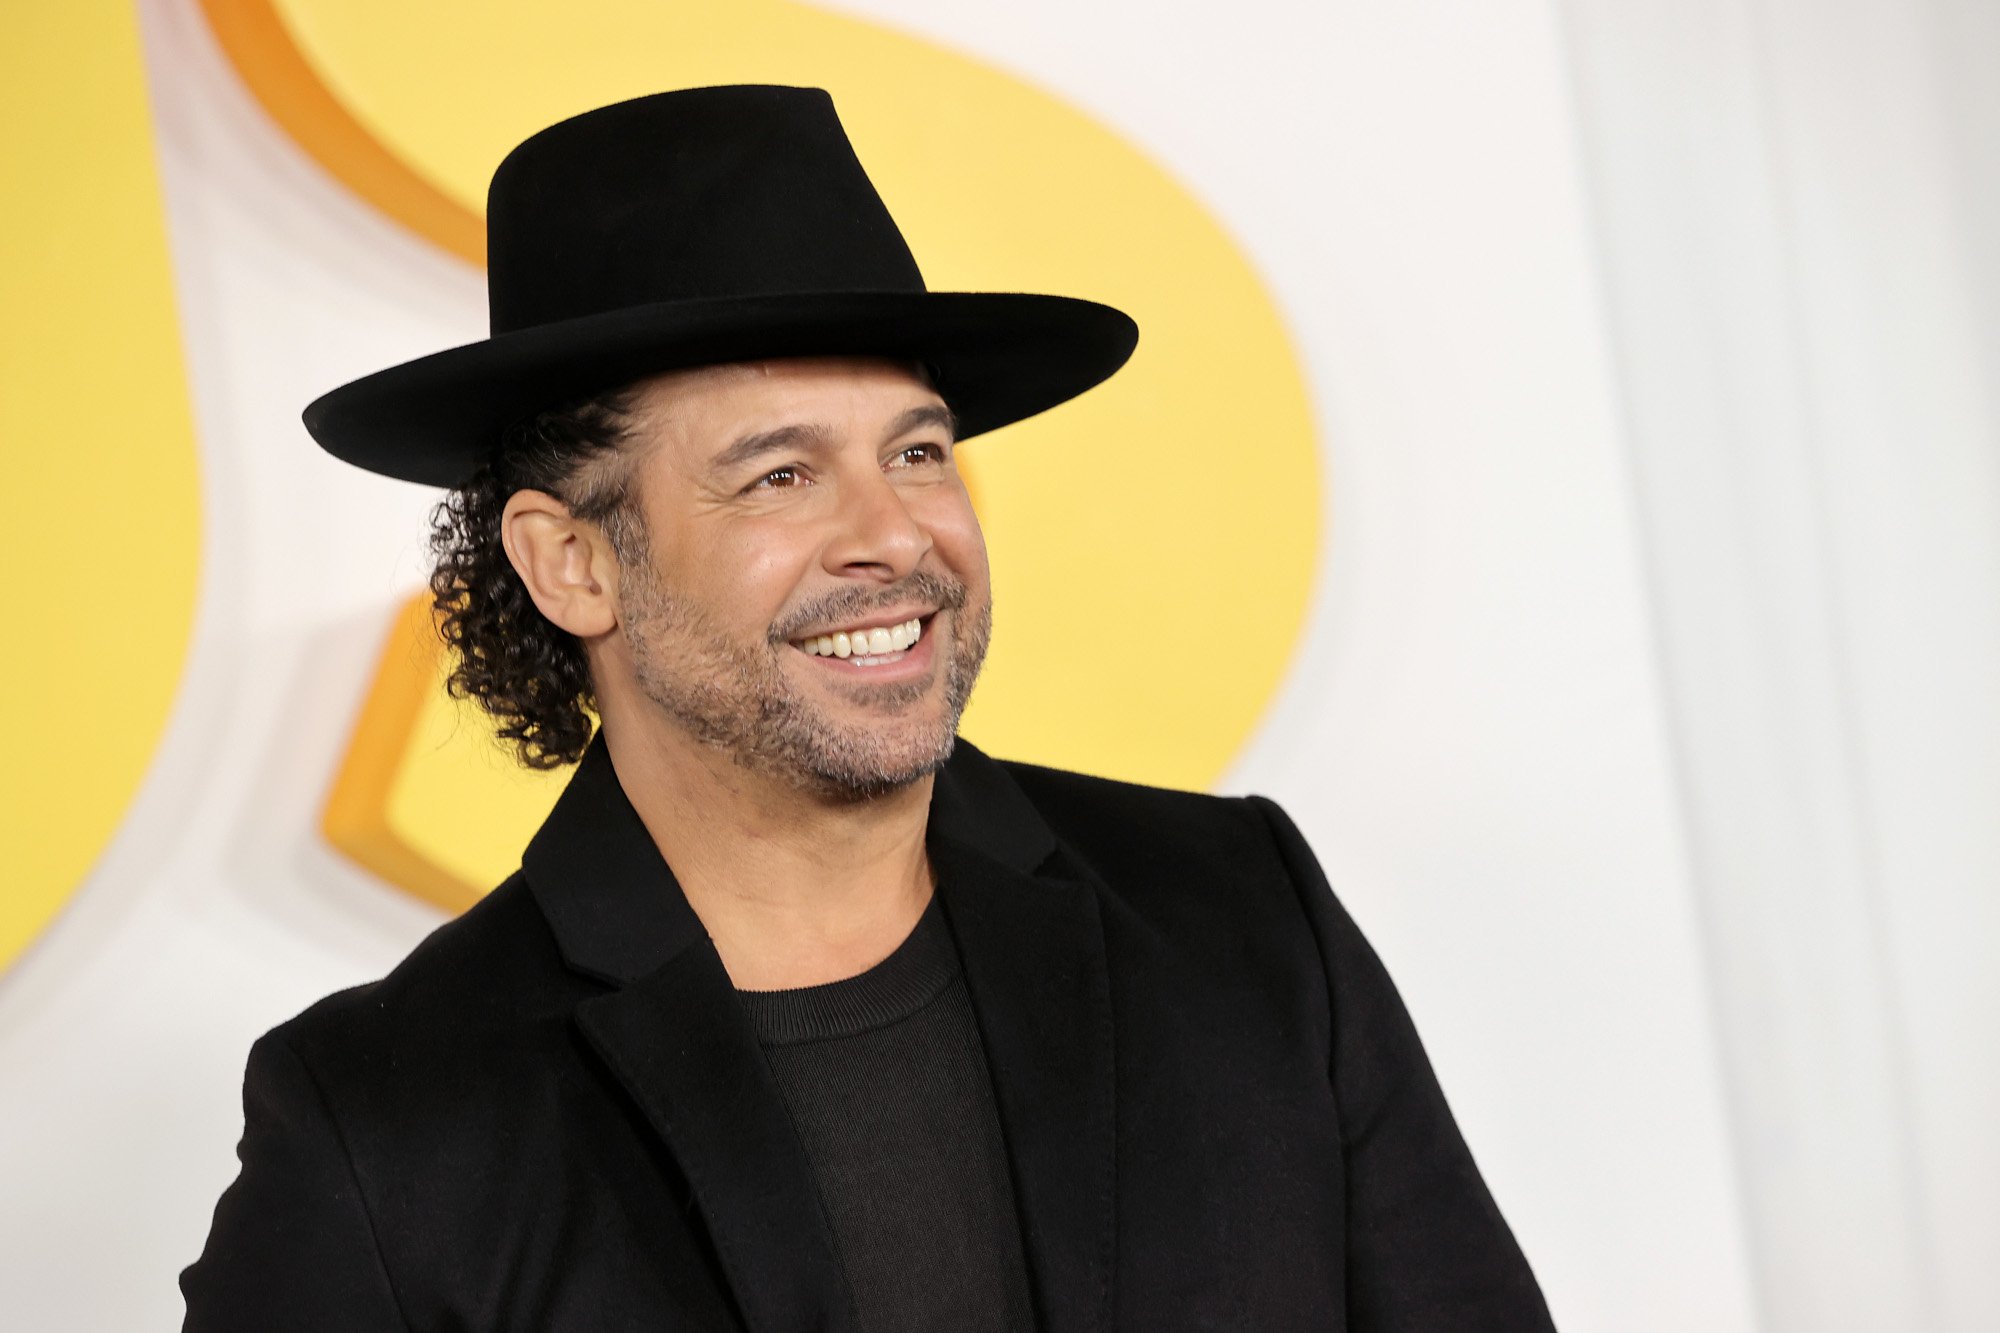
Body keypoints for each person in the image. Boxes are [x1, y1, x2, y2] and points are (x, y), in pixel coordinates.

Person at [182, 85, 1554, 1331]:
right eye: (780, 475)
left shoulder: (1245, 919)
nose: (895, 534)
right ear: (573, 561)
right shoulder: (385, 1128)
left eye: (918, 450)